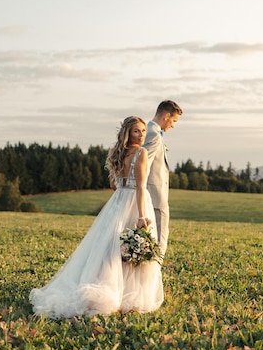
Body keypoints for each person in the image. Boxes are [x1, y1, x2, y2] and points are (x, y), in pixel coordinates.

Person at [29, 116, 163, 318]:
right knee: (129, 250)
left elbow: (114, 184)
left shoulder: (118, 153)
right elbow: (141, 187)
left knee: (110, 248)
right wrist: (142, 216)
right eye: (137, 131)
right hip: (135, 202)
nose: (141, 135)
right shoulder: (141, 153)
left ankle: (110, 286)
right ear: (128, 133)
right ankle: (127, 294)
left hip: (117, 203)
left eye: (143, 131)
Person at [143, 100, 183, 256]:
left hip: (154, 196)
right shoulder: (152, 133)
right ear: (166, 116)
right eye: (174, 120)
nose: (173, 125)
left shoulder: (150, 130)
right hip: (154, 198)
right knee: (158, 243)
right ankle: (153, 278)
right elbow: (143, 166)